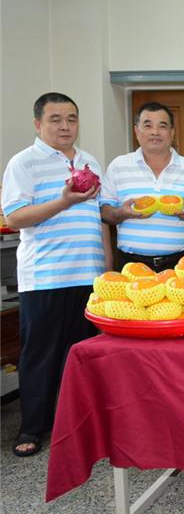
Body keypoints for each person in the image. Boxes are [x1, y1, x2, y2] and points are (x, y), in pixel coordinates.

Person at [1, 92, 109, 457]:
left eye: (72, 119)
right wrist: (63, 200)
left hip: (87, 275)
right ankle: (31, 427)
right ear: (38, 124)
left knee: (79, 356)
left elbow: (97, 219)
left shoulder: (89, 161)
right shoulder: (24, 163)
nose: (65, 126)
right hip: (45, 277)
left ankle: (72, 423)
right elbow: (14, 218)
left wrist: (105, 271)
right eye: (56, 119)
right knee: (39, 356)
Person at [100, 102, 184, 271]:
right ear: (136, 131)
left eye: (162, 126)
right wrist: (120, 213)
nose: (155, 132)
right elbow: (104, 212)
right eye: (148, 125)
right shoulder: (118, 166)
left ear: (172, 132)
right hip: (131, 264)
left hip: (180, 264)